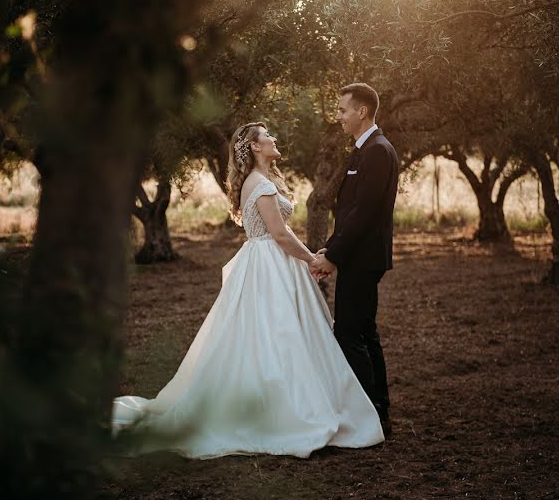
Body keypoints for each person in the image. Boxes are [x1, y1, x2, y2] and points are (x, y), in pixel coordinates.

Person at [111, 122, 384, 458]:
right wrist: (314, 258)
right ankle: (282, 410)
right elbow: (280, 235)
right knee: (278, 334)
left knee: (277, 333)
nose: (274, 138)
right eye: (268, 135)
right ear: (255, 147)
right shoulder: (259, 184)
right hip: (271, 262)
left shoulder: (262, 180)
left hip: (273, 261)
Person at [311, 83, 399, 437]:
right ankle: (379, 410)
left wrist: (333, 255)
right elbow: (349, 213)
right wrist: (330, 247)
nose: (339, 117)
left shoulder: (378, 151)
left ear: (361, 111)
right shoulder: (365, 149)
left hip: (364, 257)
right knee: (364, 331)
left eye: (343, 111)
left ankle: (370, 415)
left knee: (349, 333)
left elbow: (364, 213)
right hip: (359, 254)